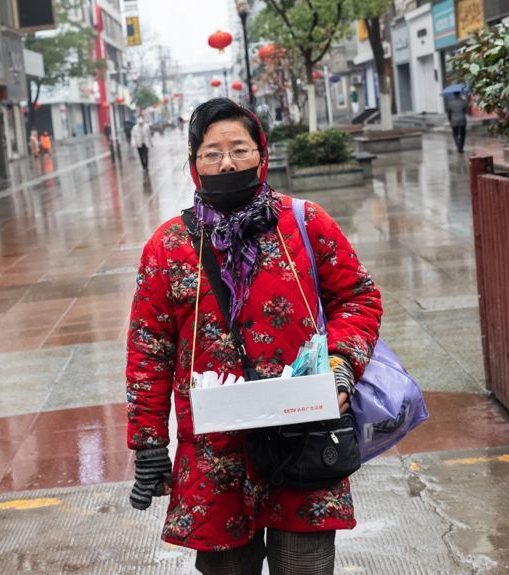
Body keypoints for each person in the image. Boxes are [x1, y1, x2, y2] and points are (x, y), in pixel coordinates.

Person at [126, 98, 383, 574]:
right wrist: (147, 444)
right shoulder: (169, 248)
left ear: (261, 154)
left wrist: (341, 366)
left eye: (239, 149)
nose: (227, 162)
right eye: (212, 153)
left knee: (304, 566)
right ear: (193, 165)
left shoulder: (304, 224)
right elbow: (149, 349)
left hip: (303, 437)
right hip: (216, 455)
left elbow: (358, 297)